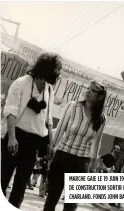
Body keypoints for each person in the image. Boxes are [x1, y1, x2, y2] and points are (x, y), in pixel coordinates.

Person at [1, 52, 61, 209]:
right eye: (58, 69)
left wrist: (50, 143)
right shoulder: (21, 83)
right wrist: (12, 138)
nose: (59, 74)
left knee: (20, 186)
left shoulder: (49, 90)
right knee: (3, 179)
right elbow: (10, 111)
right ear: (48, 69)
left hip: (34, 143)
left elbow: (48, 119)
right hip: (16, 137)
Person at [43, 80, 107, 211]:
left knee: (71, 204)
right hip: (62, 156)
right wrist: (52, 149)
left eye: (92, 90)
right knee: (52, 198)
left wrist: (93, 164)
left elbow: (96, 142)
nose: (88, 91)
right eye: (88, 88)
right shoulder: (73, 106)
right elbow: (60, 129)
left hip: (81, 162)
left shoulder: (101, 118)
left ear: (100, 97)